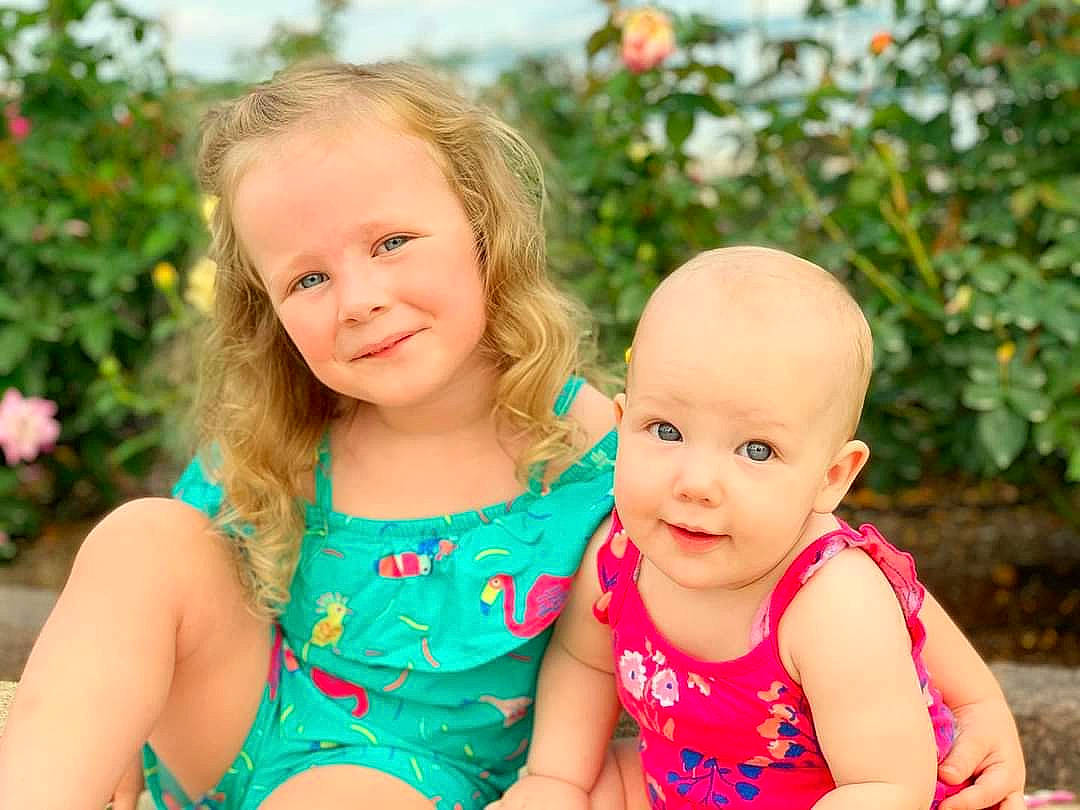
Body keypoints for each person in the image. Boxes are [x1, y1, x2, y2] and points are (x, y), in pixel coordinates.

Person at [0, 63, 1021, 810]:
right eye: (307, 278)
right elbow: (154, 628)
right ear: (268, 306)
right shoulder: (283, 441)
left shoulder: (602, 447)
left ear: (485, 230)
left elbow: (821, 552)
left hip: (418, 783)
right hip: (231, 733)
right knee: (141, 539)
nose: (358, 299)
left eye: (393, 242)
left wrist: (978, 706)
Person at [492, 247, 1026, 810]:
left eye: (756, 449)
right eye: (666, 431)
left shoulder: (832, 604)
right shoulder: (619, 554)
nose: (695, 482)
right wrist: (556, 780)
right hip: (682, 785)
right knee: (589, 790)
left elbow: (886, 786)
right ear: (622, 428)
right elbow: (584, 661)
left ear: (831, 477)